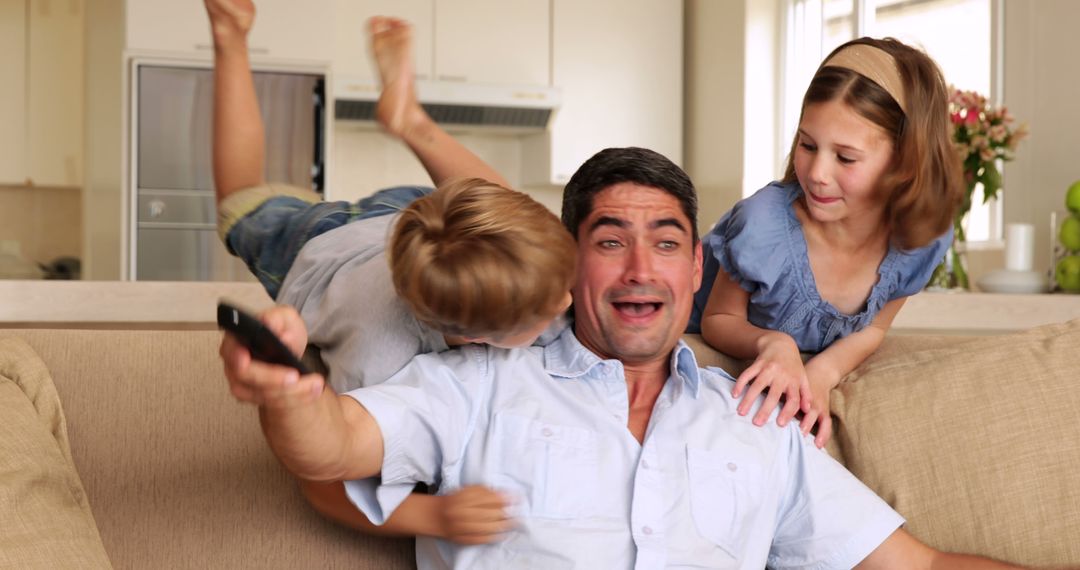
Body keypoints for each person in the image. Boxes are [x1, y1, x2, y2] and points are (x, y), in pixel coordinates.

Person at [220, 146, 1020, 568]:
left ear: (697, 272)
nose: (641, 270)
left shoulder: (758, 422)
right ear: (571, 267)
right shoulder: (472, 382)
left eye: (666, 243)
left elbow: (916, 567)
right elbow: (334, 445)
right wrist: (288, 394)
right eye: (611, 242)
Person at [204, 0, 573, 544]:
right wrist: (435, 518)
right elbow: (323, 475)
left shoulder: (468, 244)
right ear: (473, 337)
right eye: (546, 312)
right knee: (238, 199)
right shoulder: (379, 356)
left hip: (420, 217)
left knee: (506, 207)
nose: (569, 304)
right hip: (315, 242)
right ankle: (229, 36)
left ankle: (410, 120)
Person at [688, 38, 963, 448]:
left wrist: (822, 373)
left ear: (906, 163)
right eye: (808, 145)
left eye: (845, 158)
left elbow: (874, 330)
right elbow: (717, 320)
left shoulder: (920, 242)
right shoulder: (762, 224)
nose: (817, 172)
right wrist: (774, 342)